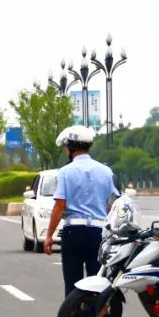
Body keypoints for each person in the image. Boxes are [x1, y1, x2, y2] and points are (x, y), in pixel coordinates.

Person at [44, 125, 119, 300]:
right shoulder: (105, 171)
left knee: (72, 283)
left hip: (73, 232)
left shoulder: (65, 172)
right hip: (98, 234)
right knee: (97, 282)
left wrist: (49, 236)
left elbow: (59, 205)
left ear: (71, 147)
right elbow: (113, 203)